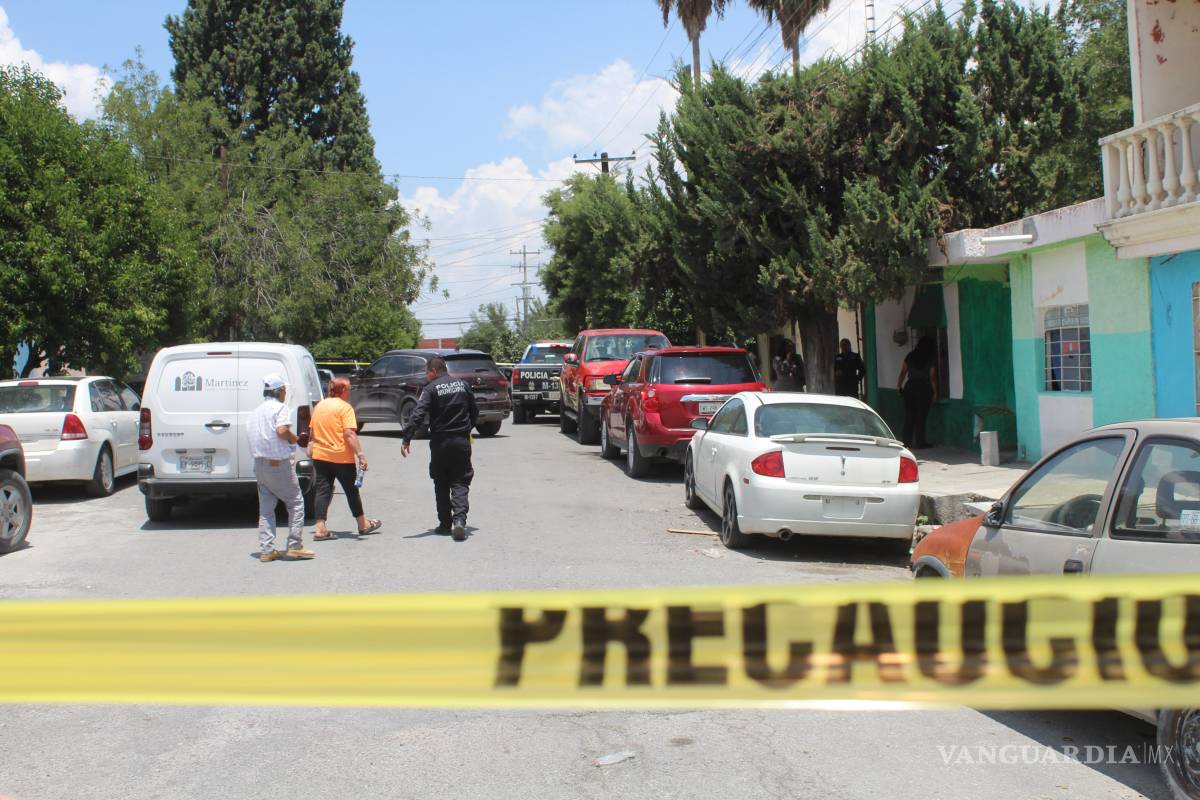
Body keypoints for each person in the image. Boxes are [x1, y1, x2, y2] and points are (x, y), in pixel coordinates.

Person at [401, 356, 478, 542]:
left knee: (441, 481)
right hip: (461, 440)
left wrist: (407, 438)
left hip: (440, 443)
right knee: (460, 481)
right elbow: (474, 410)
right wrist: (467, 429)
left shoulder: (430, 389)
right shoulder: (462, 384)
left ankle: (445, 525)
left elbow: (418, 413)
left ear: (434, 371)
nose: (427, 377)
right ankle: (459, 520)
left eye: (427, 373)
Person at [247, 373, 313, 562]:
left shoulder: (255, 412)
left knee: (266, 509)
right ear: (280, 391)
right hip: (277, 464)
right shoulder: (279, 408)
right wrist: (296, 439)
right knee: (296, 502)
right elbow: (282, 430)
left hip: (259, 464)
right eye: (284, 390)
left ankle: (267, 549)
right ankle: (294, 545)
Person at [309, 378, 382, 541]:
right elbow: (349, 434)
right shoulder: (345, 408)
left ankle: (320, 528)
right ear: (342, 391)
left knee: (323, 491)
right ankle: (363, 524)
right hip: (341, 457)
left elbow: (312, 433)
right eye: (348, 389)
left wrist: (310, 448)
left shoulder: (319, 406)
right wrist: (361, 455)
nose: (350, 392)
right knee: (351, 491)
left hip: (320, 456)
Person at [898, 336, 938, 449]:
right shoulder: (930, 357)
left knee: (909, 415)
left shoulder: (910, 355)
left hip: (910, 387)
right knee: (921, 416)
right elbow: (932, 377)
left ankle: (907, 442)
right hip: (924, 388)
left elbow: (903, 372)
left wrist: (899, 385)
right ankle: (920, 442)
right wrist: (935, 392)